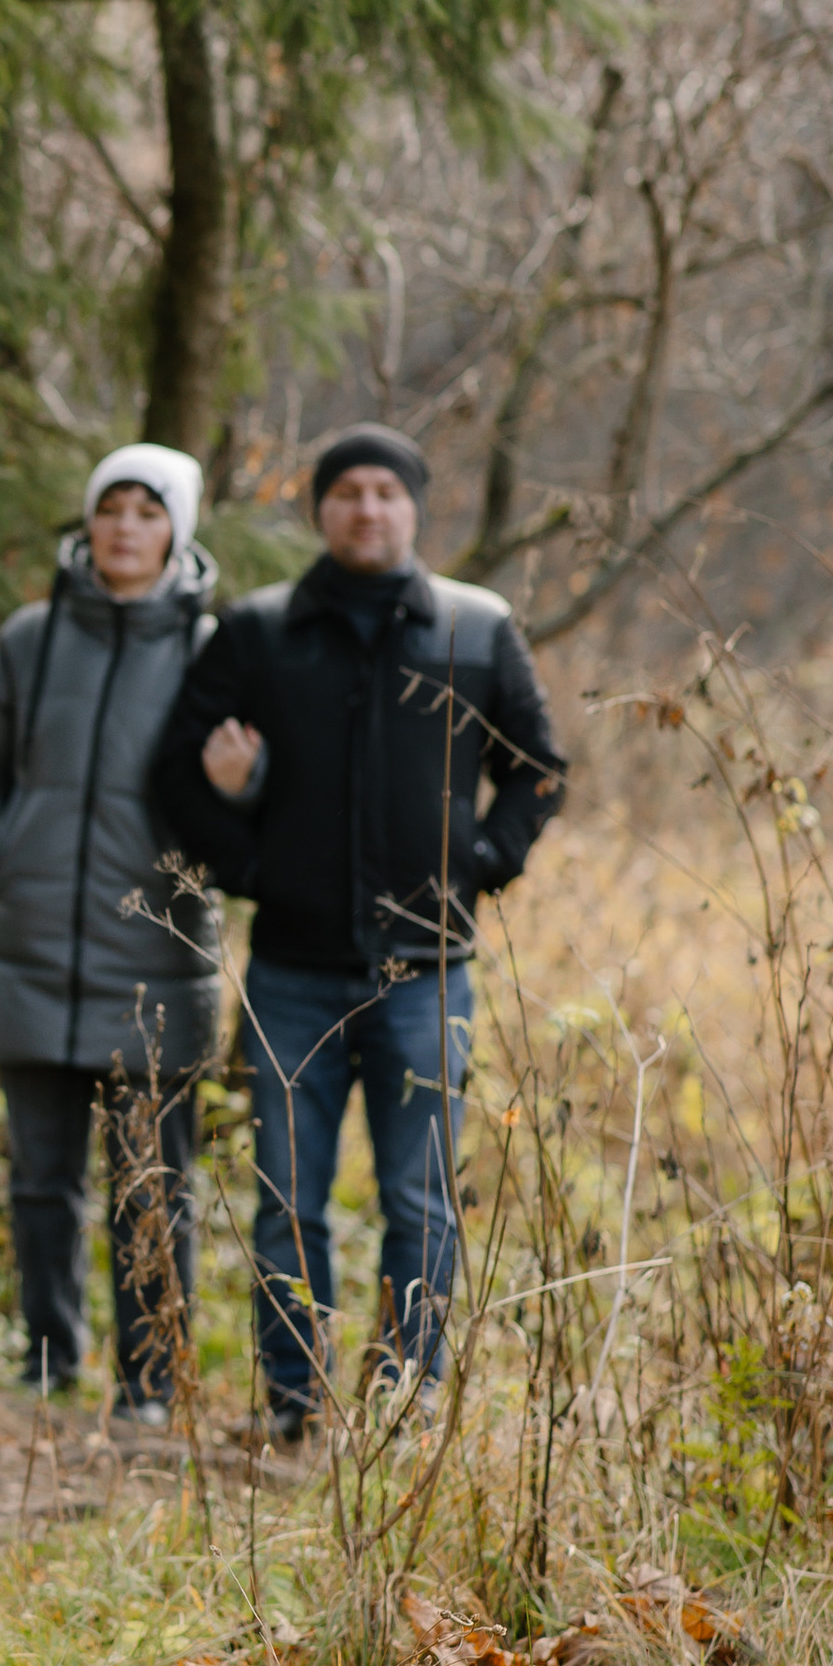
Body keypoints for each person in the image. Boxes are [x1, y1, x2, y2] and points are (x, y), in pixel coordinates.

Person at [152, 422, 565, 1441]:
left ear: (413, 506)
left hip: (427, 978)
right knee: (284, 1203)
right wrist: (250, 869)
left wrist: (479, 863)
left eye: (385, 491)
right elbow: (175, 773)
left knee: (418, 1202)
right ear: (319, 509)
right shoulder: (255, 632)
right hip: (290, 973)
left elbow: (537, 770)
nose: (366, 508)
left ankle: (404, 1407)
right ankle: (292, 1407)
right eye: (345, 493)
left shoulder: (475, 626)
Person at [0, 443, 221, 1425]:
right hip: (28, 943)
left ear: (176, 530)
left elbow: (242, 795)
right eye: (110, 508)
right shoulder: (33, 636)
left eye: (148, 512)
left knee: (151, 1183)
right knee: (39, 1182)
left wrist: (198, 865)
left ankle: (148, 1383)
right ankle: (47, 1357)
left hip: (152, 959)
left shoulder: (209, 649)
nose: (124, 528)